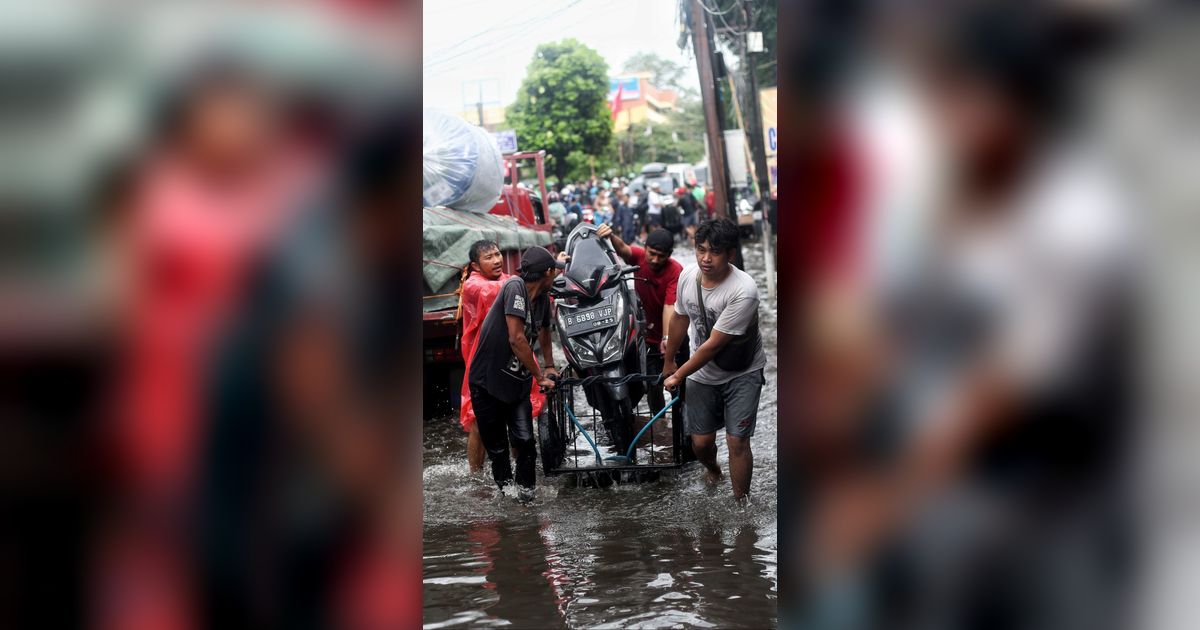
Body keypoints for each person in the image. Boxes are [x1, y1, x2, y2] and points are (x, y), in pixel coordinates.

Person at [663, 219, 766, 502]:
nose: (706, 259)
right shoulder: (687, 277)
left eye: (715, 252)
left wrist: (678, 374)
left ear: (731, 255)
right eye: (701, 250)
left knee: (737, 441)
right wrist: (669, 361)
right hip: (702, 374)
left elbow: (711, 346)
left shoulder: (743, 291)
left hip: (742, 370)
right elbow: (680, 318)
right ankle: (713, 469)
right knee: (701, 443)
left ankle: (740, 503)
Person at [467, 247, 564, 499]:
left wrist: (550, 365)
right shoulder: (514, 288)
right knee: (497, 449)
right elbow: (516, 339)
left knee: (525, 442)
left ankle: (526, 498)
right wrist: (540, 377)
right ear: (549, 272)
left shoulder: (542, 297)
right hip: (487, 382)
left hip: (516, 382)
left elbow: (543, 330)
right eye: (555, 271)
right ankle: (506, 496)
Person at [458, 240, 547, 472]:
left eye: (498, 254)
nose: (497, 260)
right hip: (485, 361)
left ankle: (522, 470)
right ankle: (475, 475)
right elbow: (497, 292)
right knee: (478, 419)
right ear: (475, 266)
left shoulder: (509, 281)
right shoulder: (473, 285)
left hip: (514, 354)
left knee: (521, 412)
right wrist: (537, 279)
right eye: (489, 257)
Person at [595, 224, 686, 418]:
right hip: (650, 337)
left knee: (678, 384)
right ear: (645, 248)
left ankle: (681, 424)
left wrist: (668, 339)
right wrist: (611, 235)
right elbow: (623, 249)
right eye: (651, 253)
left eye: (662, 256)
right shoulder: (638, 257)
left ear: (669, 254)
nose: (655, 260)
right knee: (653, 384)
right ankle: (659, 422)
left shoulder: (675, 271)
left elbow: (670, 307)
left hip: (675, 335)